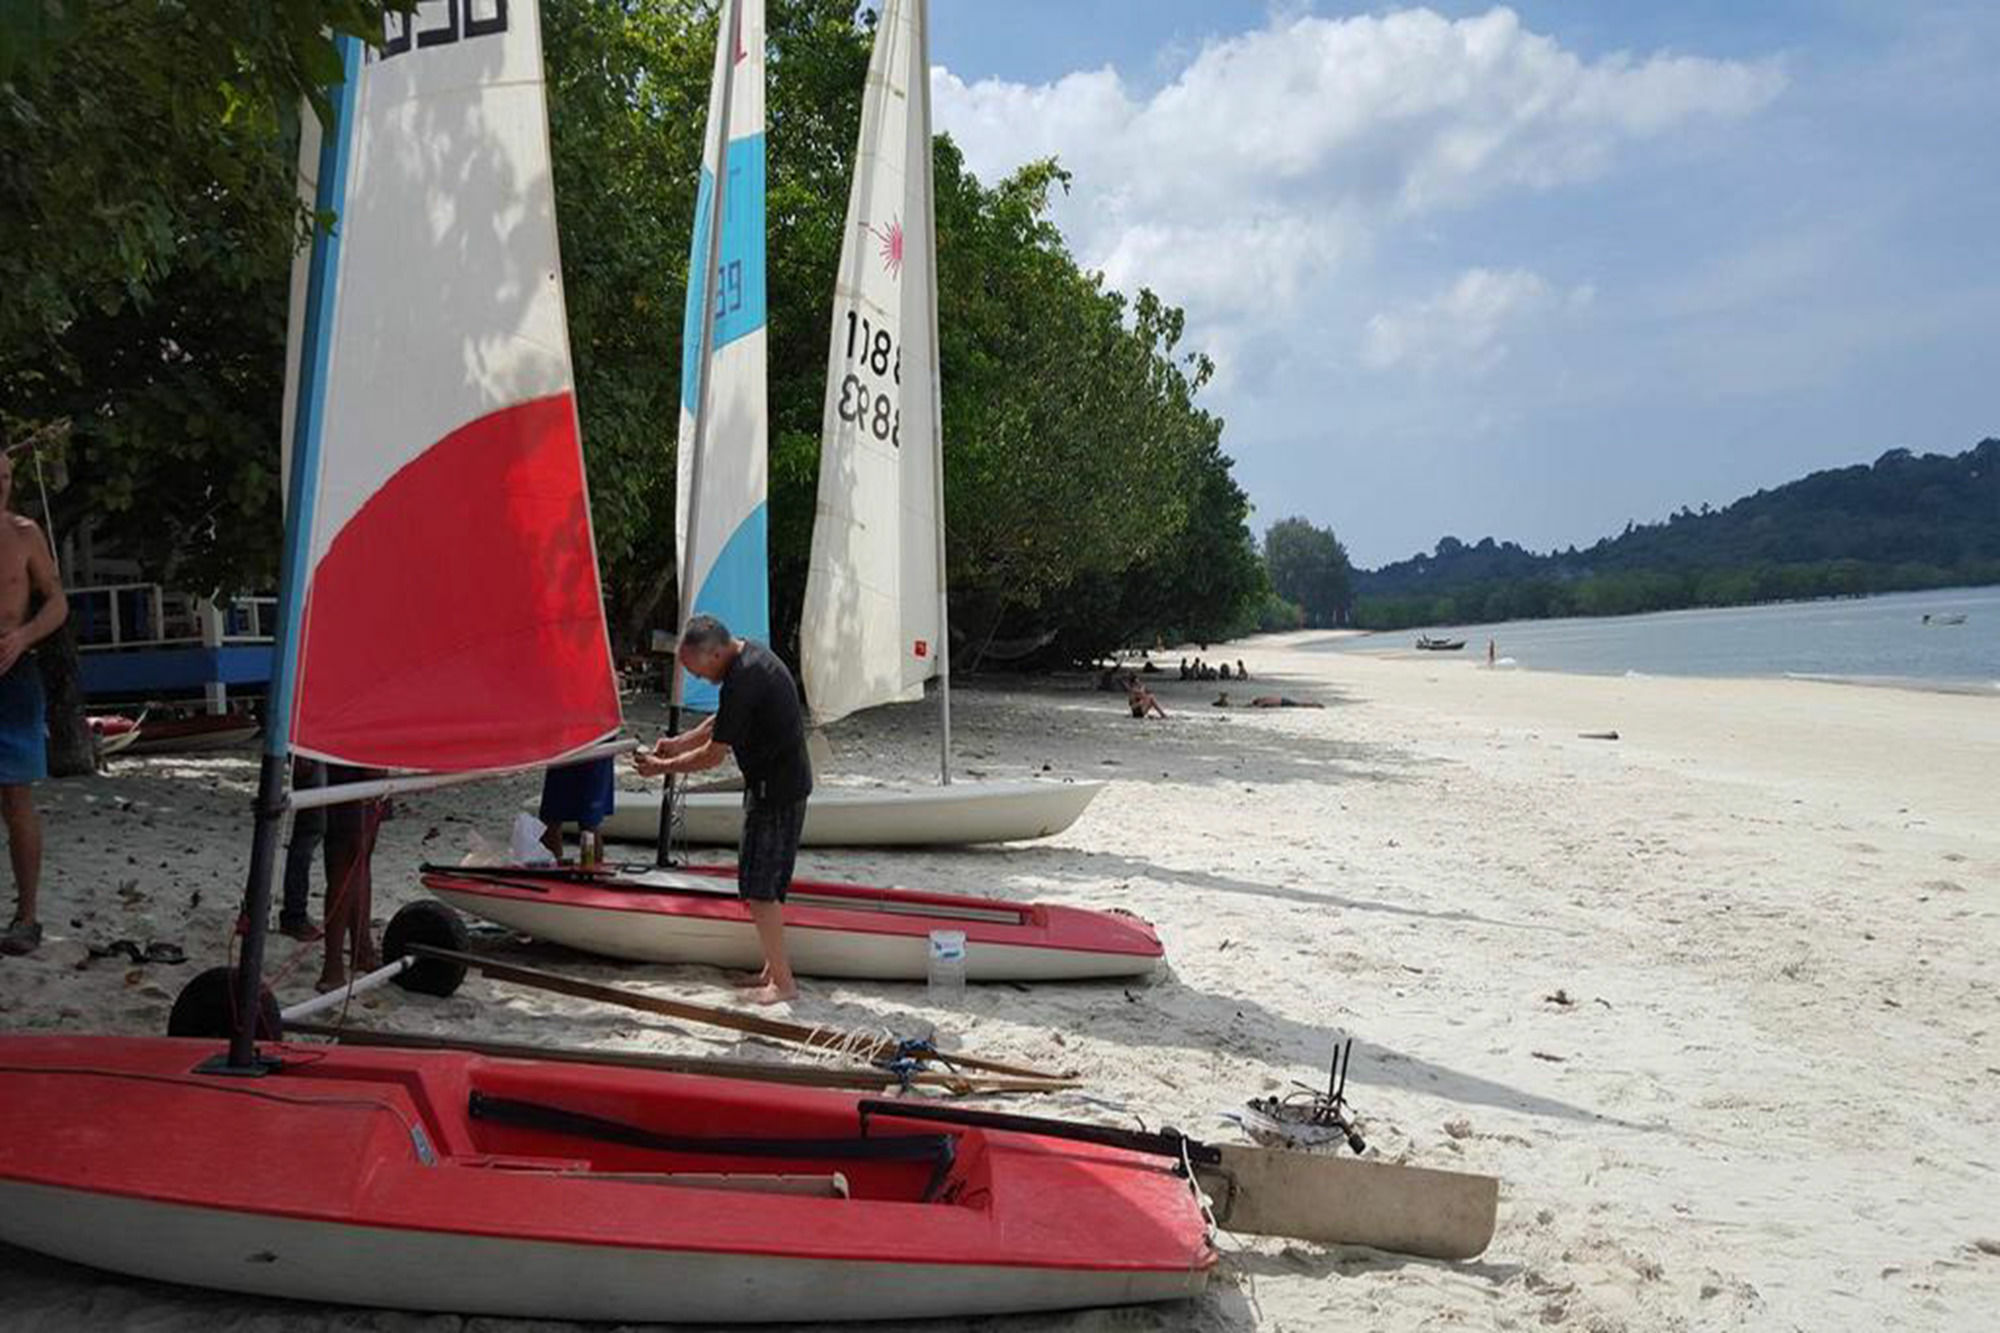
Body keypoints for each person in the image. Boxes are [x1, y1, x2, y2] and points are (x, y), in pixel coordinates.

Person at [634, 615, 811, 1004]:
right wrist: (678, 743)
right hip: (782, 786)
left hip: (775, 792)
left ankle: (783, 984)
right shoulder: (747, 657)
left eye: (698, 669)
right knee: (766, 883)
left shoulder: (745, 677)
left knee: (761, 889)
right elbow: (723, 720)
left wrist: (661, 768)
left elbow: (714, 756)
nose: (699, 678)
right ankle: (772, 970)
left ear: (715, 652)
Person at [0, 451, 67, 956]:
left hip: (14, 672)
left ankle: (27, 915)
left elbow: (57, 601)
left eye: (4, 477)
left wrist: (23, 636)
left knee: (17, 800)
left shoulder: (24, 532)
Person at [316, 769, 387, 992]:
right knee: (345, 859)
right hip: (349, 765)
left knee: (362, 858)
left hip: (369, 762)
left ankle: (362, 948)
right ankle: (333, 964)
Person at [277, 756, 325, 940]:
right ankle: (294, 914)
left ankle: (294, 912)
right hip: (311, 749)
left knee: (313, 828)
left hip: (316, 747)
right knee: (311, 827)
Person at [538, 754, 615, 866]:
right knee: (552, 816)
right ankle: (552, 866)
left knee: (589, 823)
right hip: (567, 749)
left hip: (593, 749)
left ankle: (592, 870)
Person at [1251, 695, 1324, 709]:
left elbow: (1260, 706)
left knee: (1299, 705)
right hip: (1283, 700)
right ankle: (1315, 704)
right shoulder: (1264, 698)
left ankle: (1315, 705)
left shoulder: (1263, 702)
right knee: (1299, 704)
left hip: (1283, 702)